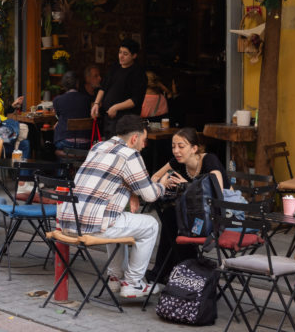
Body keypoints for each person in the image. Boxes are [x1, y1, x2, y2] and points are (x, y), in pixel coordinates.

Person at [57, 114, 176, 300]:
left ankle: (115, 277)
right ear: (134, 138)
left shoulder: (98, 146)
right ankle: (133, 283)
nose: (144, 145)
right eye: (144, 140)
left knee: (116, 217)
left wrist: (131, 192)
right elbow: (150, 195)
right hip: (91, 226)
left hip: (68, 221)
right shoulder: (130, 154)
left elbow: (112, 178)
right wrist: (163, 184)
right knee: (150, 224)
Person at [147, 127, 229, 281]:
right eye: (173, 146)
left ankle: (181, 269)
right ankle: (181, 269)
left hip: (220, 215)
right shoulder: (178, 162)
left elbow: (216, 193)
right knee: (170, 216)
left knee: (172, 218)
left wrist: (188, 186)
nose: (176, 151)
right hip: (197, 215)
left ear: (194, 148)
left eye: (181, 146)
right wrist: (164, 181)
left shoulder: (209, 160)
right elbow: (154, 177)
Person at [90, 38, 147, 138]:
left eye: (125, 54)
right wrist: (96, 103)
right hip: (109, 118)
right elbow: (103, 87)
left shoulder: (138, 73)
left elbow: (135, 100)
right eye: (120, 52)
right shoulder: (115, 67)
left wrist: (116, 107)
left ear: (134, 56)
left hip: (126, 121)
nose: (121, 56)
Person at [0, 70, 30, 153]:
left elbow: (2, 114)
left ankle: (19, 165)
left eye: (0, 81)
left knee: (25, 143)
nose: (0, 84)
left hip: (3, 125)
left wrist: (13, 106)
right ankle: (11, 137)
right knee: (13, 122)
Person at [52, 70, 92, 150]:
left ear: (63, 85)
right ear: (77, 84)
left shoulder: (57, 100)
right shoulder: (87, 99)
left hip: (65, 142)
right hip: (86, 142)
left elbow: (58, 116)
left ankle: (62, 162)